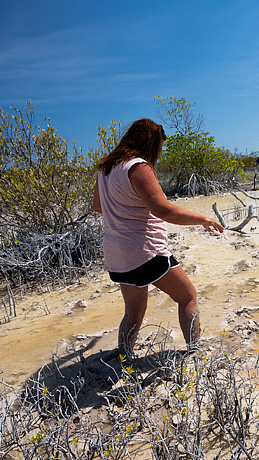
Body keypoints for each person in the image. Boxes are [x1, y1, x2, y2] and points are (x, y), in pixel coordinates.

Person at [93, 118, 224, 356]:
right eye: (160, 147)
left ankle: (124, 355)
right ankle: (193, 352)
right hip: (145, 253)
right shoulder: (138, 166)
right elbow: (162, 209)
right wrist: (203, 219)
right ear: (152, 144)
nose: (160, 154)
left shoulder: (106, 169)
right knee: (188, 297)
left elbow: (99, 206)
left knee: (133, 310)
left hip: (116, 254)